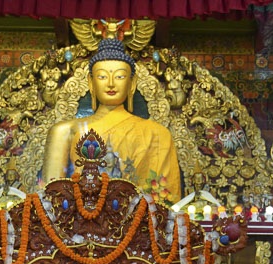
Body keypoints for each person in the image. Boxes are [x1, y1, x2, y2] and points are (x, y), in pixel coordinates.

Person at [41, 38, 181, 202]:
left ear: (132, 83)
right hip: (78, 220)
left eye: (120, 76)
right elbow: (49, 199)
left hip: (141, 220)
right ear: (91, 83)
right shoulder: (65, 131)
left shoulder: (157, 133)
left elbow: (167, 203)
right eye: (102, 77)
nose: (111, 84)